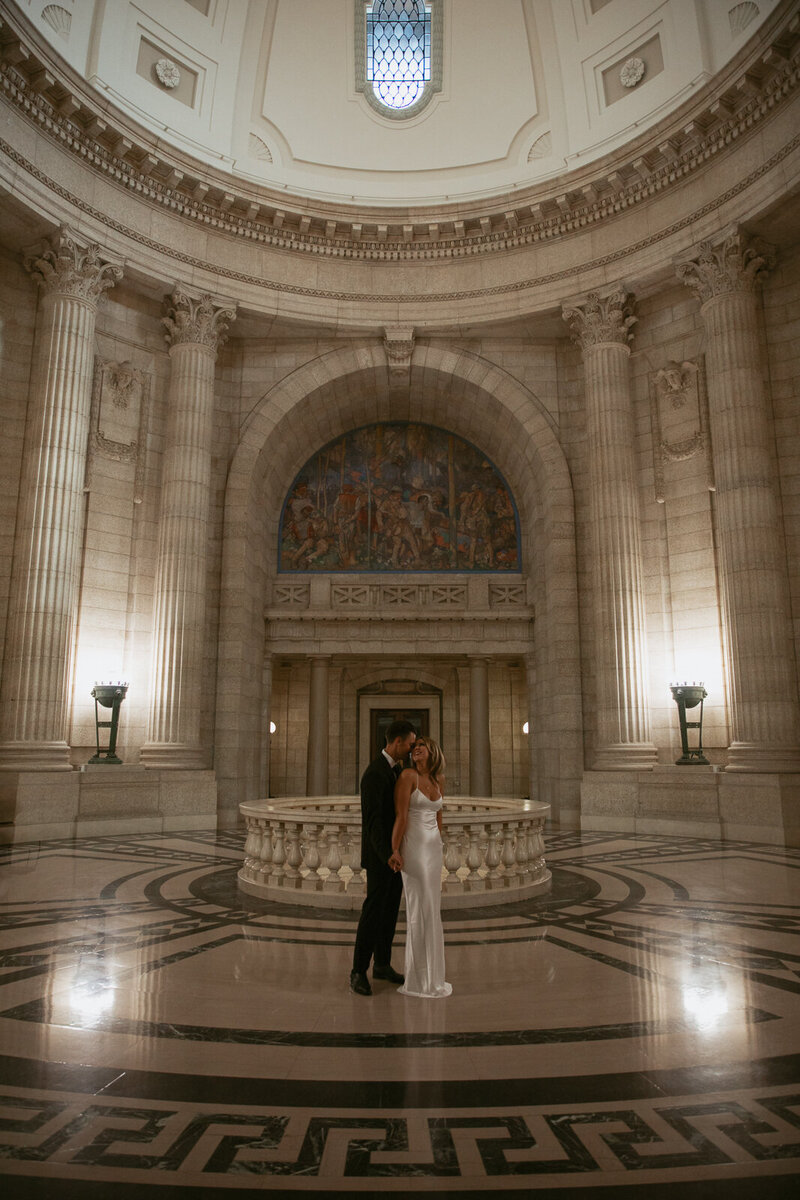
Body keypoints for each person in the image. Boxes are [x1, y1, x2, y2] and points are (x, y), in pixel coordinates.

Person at [350, 719, 417, 996]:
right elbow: (374, 822)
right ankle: (357, 970)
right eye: (410, 744)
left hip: (394, 855)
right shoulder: (374, 773)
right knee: (373, 912)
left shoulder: (397, 770)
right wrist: (387, 853)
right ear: (397, 742)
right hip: (381, 857)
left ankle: (382, 964)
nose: (412, 749)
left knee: (390, 912)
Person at [391, 735, 452, 999]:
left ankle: (434, 976)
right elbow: (401, 816)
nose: (416, 750)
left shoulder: (439, 780)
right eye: (414, 747)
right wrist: (394, 849)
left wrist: (438, 841)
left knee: (432, 907)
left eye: (421, 746)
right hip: (414, 848)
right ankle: (418, 979)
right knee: (419, 907)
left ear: (432, 751)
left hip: (432, 849)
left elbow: (439, 815)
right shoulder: (407, 777)